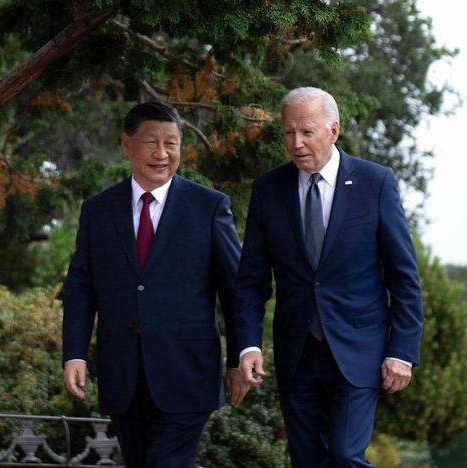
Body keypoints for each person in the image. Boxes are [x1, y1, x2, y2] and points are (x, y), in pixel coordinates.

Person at [235, 87, 423, 467]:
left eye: (307, 132)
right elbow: (252, 281)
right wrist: (248, 345)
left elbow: (403, 276)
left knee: (344, 456)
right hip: (296, 353)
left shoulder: (376, 183)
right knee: (308, 462)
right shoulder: (268, 190)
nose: (296, 143)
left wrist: (402, 350)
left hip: (358, 351)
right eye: (288, 133)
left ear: (333, 130)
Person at [62, 101, 249, 468]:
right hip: (123, 376)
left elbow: (235, 291)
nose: (162, 153)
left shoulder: (209, 207)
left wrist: (238, 358)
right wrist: (75, 352)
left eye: (172, 143)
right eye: (151, 142)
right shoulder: (98, 211)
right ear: (127, 144)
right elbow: (81, 288)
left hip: (188, 373)